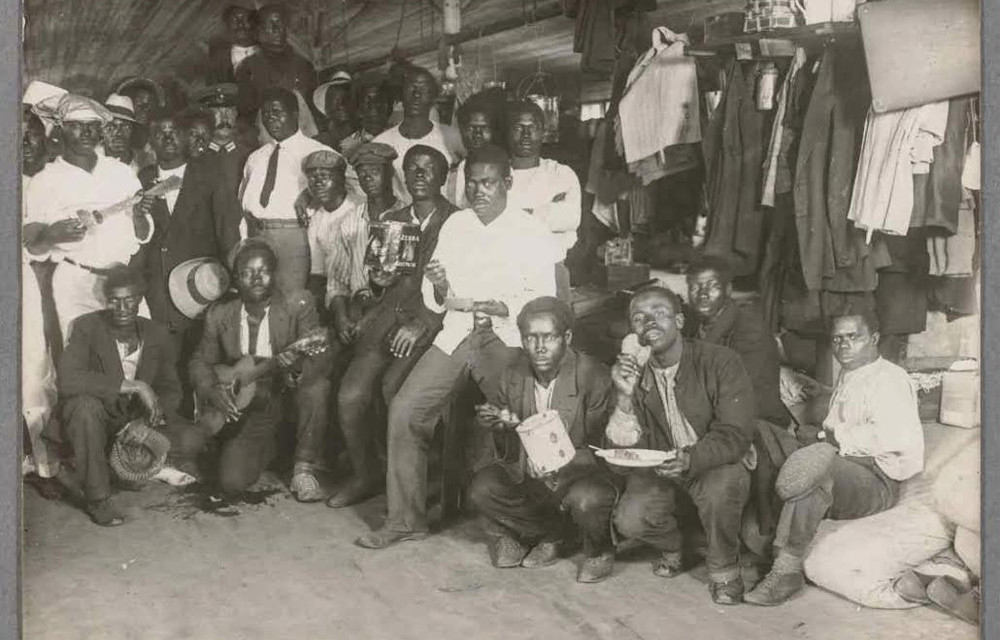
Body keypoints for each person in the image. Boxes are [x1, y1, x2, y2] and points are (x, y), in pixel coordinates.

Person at [356, 144, 557, 549]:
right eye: (472, 184)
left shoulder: (531, 230)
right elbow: (438, 297)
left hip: (505, 336)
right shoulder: (457, 225)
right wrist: (441, 283)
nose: (478, 191)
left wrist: (500, 305)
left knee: (527, 417)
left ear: (507, 183)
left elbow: (546, 300)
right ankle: (405, 519)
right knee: (406, 409)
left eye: (488, 183)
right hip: (457, 332)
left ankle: (540, 523)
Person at [744, 311, 925, 606]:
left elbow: (893, 438)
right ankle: (767, 530)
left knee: (818, 466)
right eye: (838, 338)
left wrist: (825, 438)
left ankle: (787, 570)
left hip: (876, 479)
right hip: (840, 462)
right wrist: (820, 408)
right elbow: (852, 414)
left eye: (853, 337)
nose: (843, 345)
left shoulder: (891, 378)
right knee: (763, 430)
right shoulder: (850, 374)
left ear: (874, 339)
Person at [607, 286, 755, 605]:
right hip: (663, 469)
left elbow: (736, 433)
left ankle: (724, 570)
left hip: (713, 461)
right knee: (629, 519)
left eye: (660, 313)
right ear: (633, 330)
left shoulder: (719, 361)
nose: (650, 323)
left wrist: (691, 458)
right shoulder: (632, 372)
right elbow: (618, 461)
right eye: (639, 318)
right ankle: (675, 547)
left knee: (721, 487)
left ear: (679, 320)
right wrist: (623, 396)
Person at [328, 145, 457, 508]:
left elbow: (461, 287)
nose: (418, 175)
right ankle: (366, 472)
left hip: (433, 323)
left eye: (428, 169)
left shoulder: (457, 222)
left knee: (392, 388)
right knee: (350, 395)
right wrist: (379, 280)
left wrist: (422, 323)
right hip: (386, 321)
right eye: (412, 168)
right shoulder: (394, 218)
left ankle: (425, 477)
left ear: (443, 177)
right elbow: (378, 281)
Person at [467, 297, 619, 583]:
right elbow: (506, 443)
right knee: (482, 488)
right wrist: (499, 424)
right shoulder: (513, 374)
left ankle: (599, 551)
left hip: (581, 476)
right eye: (530, 338)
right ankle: (553, 535)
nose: (539, 347)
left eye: (548, 337)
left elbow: (605, 450)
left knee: (586, 500)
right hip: (534, 477)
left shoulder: (593, 376)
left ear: (567, 337)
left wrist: (560, 463)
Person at [51, 267, 206, 526]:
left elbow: (171, 389)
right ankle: (98, 498)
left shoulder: (156, 333)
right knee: (83, 407)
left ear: (140, 299)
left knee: (192, 440)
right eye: (114, 300)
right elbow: (67, 380)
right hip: (97, 418)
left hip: (134, 420)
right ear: (104, 300)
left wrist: (145, 423)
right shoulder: (86, 327)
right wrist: (133, 386)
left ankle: (113, 468)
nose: (122, 307)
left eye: (130, 299)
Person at [189, 239, 333, 503]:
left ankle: (303, 468)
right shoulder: (220, 313)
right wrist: (211, 390)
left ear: (275, 273)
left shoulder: (297, 303)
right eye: (247, 272)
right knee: (231, 483)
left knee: (317, 387)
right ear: (235, 278)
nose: (256, 278)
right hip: (250, 405)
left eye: (264, 270)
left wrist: (296, 368)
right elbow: (199, 360)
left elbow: (321, 361)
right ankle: (271, 448)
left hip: (286, 395)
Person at [131, 108, 242, 415]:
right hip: (157, 296)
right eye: (159, 133)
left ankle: (204, 441)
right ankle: (173, 443)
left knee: (201, 366)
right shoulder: (143, 180)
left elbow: (228, 234)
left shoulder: (209, 176)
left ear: (185, 136)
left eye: (173, 132)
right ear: (150, 141)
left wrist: (230, 292)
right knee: (166, 374)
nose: (167, 139)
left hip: (199, 293)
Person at [24, 94, 154, 343]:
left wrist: (138, 215)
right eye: (76, 125)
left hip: (122, 281)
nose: (85, 133)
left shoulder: (121, 173)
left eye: (92, 126)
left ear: (100, 132)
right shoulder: (45, 181)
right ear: (61, 130)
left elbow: (142, 235)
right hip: (75, 284)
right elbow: (33, 248)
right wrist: (51, 235)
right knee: (83, 357)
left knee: (133, 356)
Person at [238, 87, 333, 296]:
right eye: (266, 114)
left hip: (293, 238)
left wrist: (311, 193)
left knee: (291, 303)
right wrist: (245, 240)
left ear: (295, 115)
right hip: (256, 237)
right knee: (259, 303)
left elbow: (346, 186)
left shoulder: (316, 151)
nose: (271, 119)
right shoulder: (255, 158)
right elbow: (243, 203)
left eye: (277, 112)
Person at [685, 255, 789, 428]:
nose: (703, 294)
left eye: (712, 286)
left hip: (754, 424)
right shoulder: (695, 324)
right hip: (716, 415)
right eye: (695, 287)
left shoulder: (751, 331)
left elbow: (740, 395)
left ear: (728, 290)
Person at [326, 142, 402, 343]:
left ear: (390, 173)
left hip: (391, 313)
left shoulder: (407, 218)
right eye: (362, 173)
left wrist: (369, 319)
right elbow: (337, 282)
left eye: (375, 171)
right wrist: (341, 318)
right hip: (354, 310)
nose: (368, 178)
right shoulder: (349, 221)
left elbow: (407, 289)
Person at [372, 66, 464, 205]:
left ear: (433, 97)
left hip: (445, 219)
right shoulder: (382, 142)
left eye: (424, 90)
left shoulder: (452, 136)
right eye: (411, 88)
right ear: (401, 94)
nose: (416, 95)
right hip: (402, 219)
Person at [505, 100, 581, 262]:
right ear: (508, 132)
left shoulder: (561, 174)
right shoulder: (495, 173)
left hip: (551, 267)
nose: (526, 134)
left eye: (532, 127)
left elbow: (570, 219)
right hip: (504, 267)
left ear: (543, 132)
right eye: (519, 128)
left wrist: (513, 214)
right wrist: (546, 211)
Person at [235, 3, 319, 135]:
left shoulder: (304, 65)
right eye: (269, 24)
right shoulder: (247, 67)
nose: (276, 29)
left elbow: (315, 109)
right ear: (258, 31)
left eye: (279, 23)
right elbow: (243, 114)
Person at [294, 149, 358, 316]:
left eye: (325, 177)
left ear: (342, 179)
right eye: (312, 178)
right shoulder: (317, 220)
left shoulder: (359, 210)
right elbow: (318, 274)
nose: (318, 183)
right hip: (336, 296)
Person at [194, 83, 256, 193]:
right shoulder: (195, 158)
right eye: (217, 112)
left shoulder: (251, 156)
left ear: (236, 114)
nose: (225, 118)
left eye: (229, 111)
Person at [445, 96, 501, 208]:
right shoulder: (453, 173)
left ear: (494, 131)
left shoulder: (503, 171)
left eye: (484, 128)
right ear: (461, 130)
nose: (478, 134)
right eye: (471, 128)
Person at [207, 2, 259, 84]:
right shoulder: (217, 58)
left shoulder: (270, 53)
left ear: (255, 23)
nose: (240, 24)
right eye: (235, 19)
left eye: (245, 19)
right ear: (227, 24)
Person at [100, 94, 140, 171]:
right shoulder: (88, 160)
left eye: (125, 127)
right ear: (101, 130)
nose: (118, 133)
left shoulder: (142, 164)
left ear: (132, 131)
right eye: (110, 127)